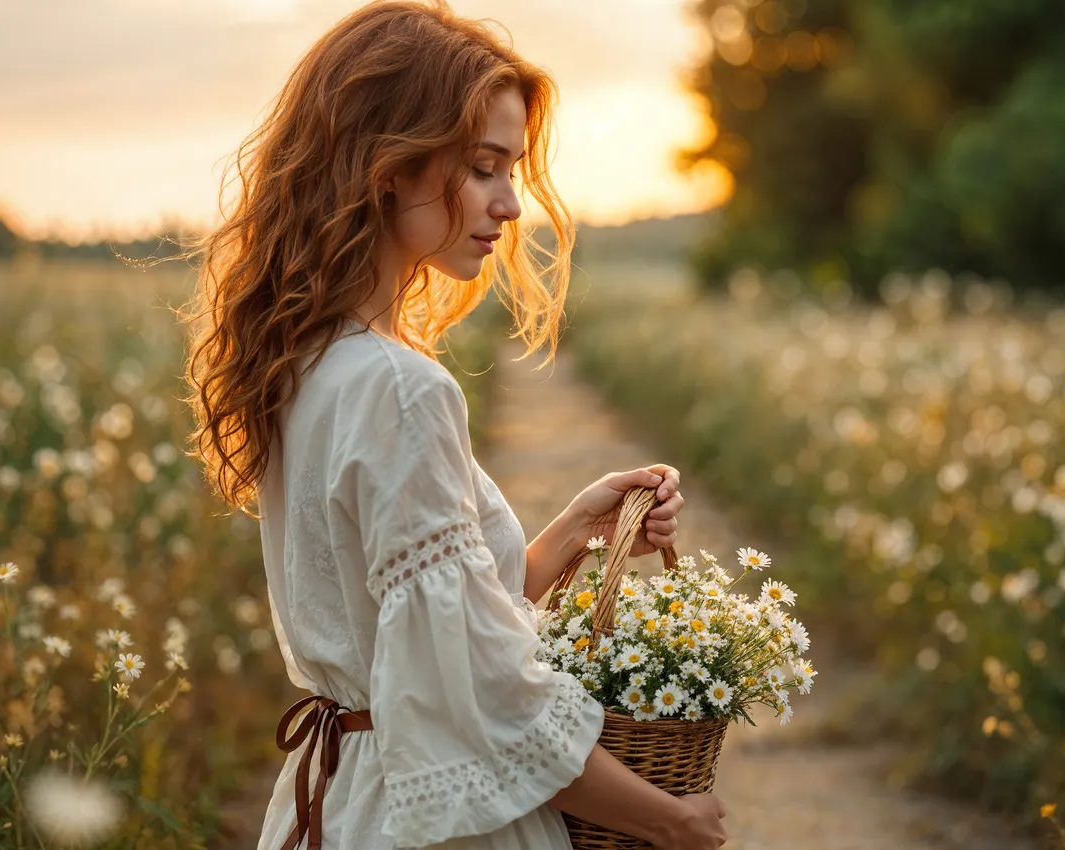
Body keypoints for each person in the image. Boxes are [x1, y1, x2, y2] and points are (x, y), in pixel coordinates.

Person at [178, 2, 728, 848]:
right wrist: (667, 819)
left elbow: (420, 632)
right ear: (388, 165)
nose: (510, 204)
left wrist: (574, 531)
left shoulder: (308, 359)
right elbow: (479, 689)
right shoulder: (400, 387)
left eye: (511, 170)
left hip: (345, 800)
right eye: (483, 167)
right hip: (432, 819)